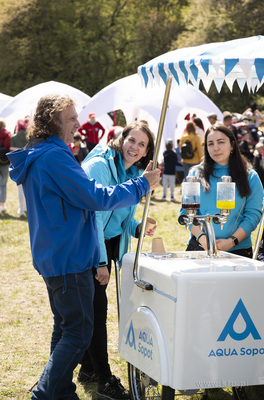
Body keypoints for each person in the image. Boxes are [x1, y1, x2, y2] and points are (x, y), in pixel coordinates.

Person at [7, 94, 160, 400]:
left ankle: (59, 391)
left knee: (66, 329)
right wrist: (142, 185)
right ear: (53, 121)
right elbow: (96, 198)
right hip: (69, 256)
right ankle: (47, 393)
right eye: (72, 118)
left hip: (59, 253)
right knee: (78, 333)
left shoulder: (46, 152)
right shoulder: (53, 157)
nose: (79, 124)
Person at [78, 121, 157, 399]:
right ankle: (105, 380)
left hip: (109, 244)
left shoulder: (135, 172)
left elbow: (120, 214)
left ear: (148, 151)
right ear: (121, 138)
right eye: (131, 140)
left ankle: (87, 368)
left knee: (96, 307)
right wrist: (99, 262)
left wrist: (137, 226)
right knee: (97, 311)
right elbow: (94, 216)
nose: (134, 147)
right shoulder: (100, 165)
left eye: (142, 144)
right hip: (88, 243)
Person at [180, 124, 263, 258]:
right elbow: (186, 212)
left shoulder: (250, 176)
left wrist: (232, 242)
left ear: (232, 145)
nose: (216, 148)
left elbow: (253, 215)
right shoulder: (195, 173)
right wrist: (203, 239)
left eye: (221, 142)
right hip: (199, 247)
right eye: (210, 144)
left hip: (238, 250)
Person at [10, 117, 30, 216]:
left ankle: (22, 209)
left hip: (18, 164)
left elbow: (10, 150)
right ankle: (28, 208)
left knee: (20, 189)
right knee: (29, 188)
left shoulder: (14, 137)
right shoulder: (29, 136)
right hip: (29, 164)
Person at [0, 119, 12, 213]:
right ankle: (2, 204)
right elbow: (9, 147)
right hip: (5, 161)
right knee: (3, 184)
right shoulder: (8, 135)